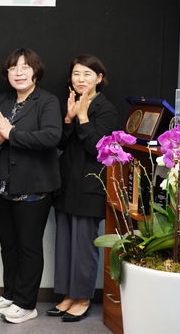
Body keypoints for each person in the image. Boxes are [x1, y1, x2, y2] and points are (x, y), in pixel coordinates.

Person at [0, 48, 61, 324]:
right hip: (2, 184)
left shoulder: (47, 101)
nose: (18, 73)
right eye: (13, 68)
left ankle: (27, 304)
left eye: (25, 67)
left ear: (35, 72)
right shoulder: (1, 100)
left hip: (33, 186)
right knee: (8, 244)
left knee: (29, 246)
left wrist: (12, 134)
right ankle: (11, 294)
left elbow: (51, 137)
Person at [48, 55, 117, 322]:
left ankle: (83, 297)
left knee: (83, 245)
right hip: (66, 183)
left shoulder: (106, 109)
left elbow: (98, 150)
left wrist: (84, 117)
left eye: (87, 74)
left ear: (99, 78)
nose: (81, 79)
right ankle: (68, 295)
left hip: (89, 186)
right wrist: (68, 118)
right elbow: (61, 144)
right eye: (76, 74)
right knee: (65, 243)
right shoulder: (72, 102)